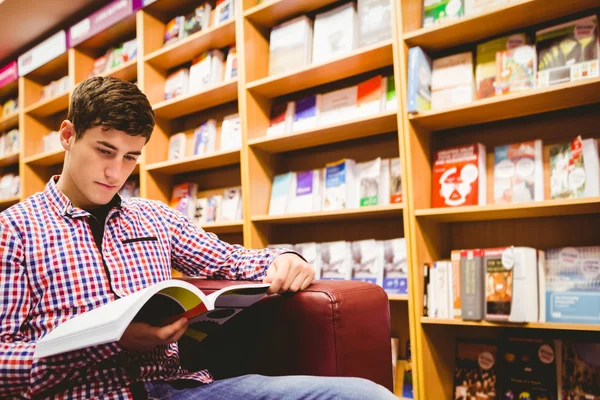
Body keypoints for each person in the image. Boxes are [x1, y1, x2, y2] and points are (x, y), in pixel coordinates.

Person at [0, 77, 396, 400]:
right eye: (105, 150)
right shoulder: (14, 230)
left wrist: (284, 260)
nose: (116, 172)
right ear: (68, 135)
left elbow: (230, 260)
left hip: (182, 390)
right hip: (88, 393)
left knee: (363, 395)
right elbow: (3, 362)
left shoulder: (155, 217)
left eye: (131, 157)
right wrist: (110, 342)